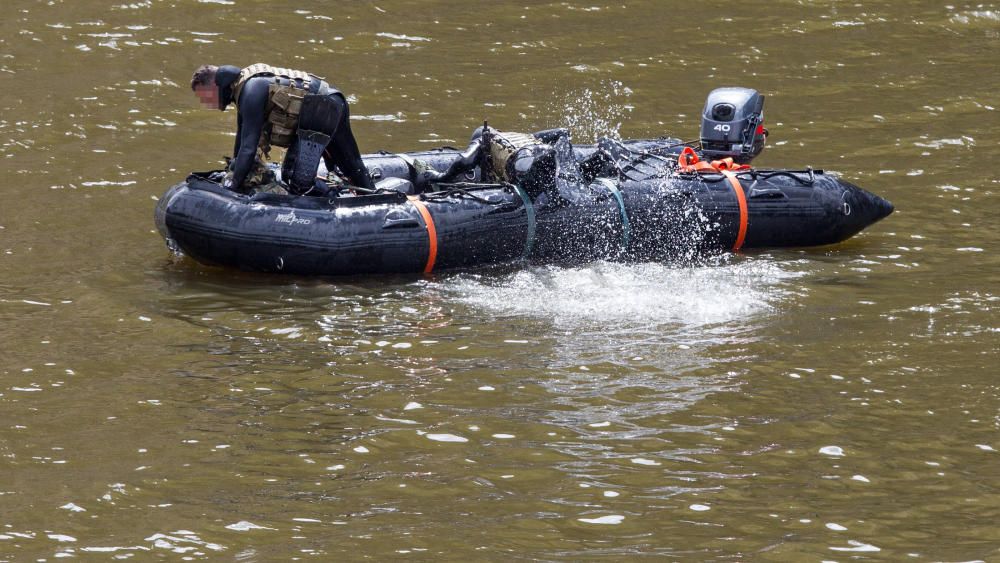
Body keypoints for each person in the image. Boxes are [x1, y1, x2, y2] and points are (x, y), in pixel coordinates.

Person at [191, 63, 375, 194]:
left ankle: (337, 197)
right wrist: (233, 171)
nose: (206, 104)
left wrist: (232, 185)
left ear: (216, 85)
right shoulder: (243, 89)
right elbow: (241, 141)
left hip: (325, 106)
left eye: (205, 97)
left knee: (300, 181)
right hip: (323, 106)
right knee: (350, 163)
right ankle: (367, 192)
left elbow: (249, 147)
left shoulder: (250, 91)